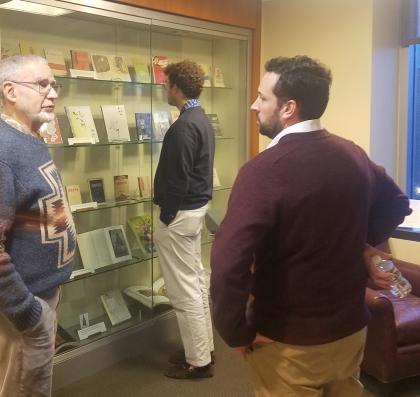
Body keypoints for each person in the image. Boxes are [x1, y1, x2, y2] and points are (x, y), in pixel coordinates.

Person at [210, 55, 411, 396]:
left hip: (289, 344)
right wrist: (362, 244)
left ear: (288, 108)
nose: (253, 105)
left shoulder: (263, 171)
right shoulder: (353, 154)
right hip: (351, 333)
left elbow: (228, 263)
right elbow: (396, 204)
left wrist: (236, 333)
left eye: (262, 97)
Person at [0, 55, 77, 397]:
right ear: (10, 91)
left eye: (53, 85)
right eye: (42, 84)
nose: (53, 93)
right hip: (23, 300)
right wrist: (29, 313)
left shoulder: (28, 139)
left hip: (37, 292)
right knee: (25, 389)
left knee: (16, 382)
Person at [153, 60, 215, 379]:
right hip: (195, 212)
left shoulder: (183, 126)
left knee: (183, 290)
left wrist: (165, 216)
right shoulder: (200, 119)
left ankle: (199, 362)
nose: (165, 89)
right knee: (197, 281)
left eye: (166, 85)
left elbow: (177, 179)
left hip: (178, 216)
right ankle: (204, 349)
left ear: (175, 88)